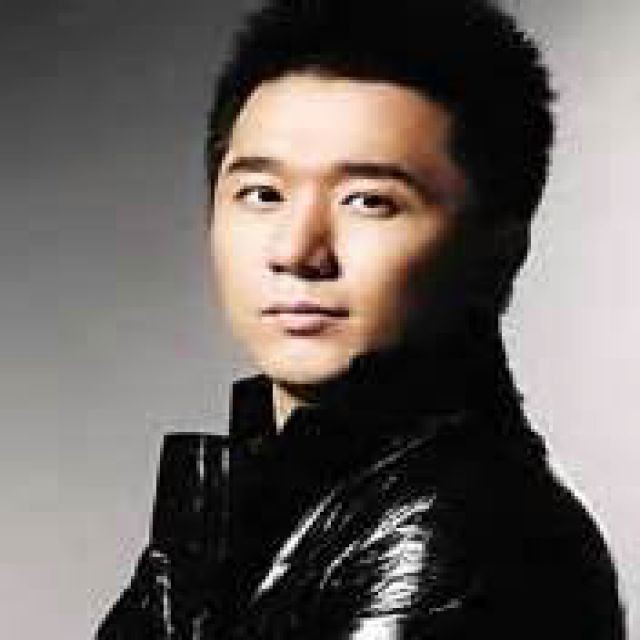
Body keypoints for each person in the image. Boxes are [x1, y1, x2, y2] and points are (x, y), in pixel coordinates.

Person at [98, 0, 626, 638]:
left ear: (498, 249)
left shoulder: (466, 544)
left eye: (370, 201)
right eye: (262, 194)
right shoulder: (272, 496)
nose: (297, 251)